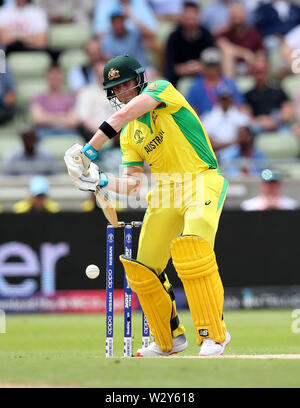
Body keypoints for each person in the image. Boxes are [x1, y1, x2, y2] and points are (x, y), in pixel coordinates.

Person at [64, 54, 231, 357]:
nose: (122, 92)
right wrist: (99, 180)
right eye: (115, 88)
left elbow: (121, 116)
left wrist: (88, 150)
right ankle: (169, 340)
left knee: (193, 250)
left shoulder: (162, 90)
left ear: (139, 80)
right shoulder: (129, 135)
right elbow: (131, 185)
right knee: (143, 268)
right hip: (166, 191)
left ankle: (213, 335)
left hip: (201, 179)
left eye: (126, 84)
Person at [164, 1, 215, 86]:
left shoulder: (207, 35)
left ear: (199, 17)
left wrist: (200, 66)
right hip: (178, 79)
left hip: (204, 77)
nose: (190, 22)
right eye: (187, 18)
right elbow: (170, 66)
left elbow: (213, 61)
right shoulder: (174, 37)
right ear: (181, 17)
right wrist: (186, 68)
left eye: (193, 18)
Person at [187, 47, 245, 117]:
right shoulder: (195, 87)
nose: (211, 69)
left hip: (228, 121)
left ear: (220, 66)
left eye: (214, 65)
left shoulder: (230, 84)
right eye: (209, 65)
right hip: (204, 122)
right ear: (203, 66)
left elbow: (240, 106)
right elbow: (191, 110)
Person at [244, 56, 294, 134]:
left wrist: (274, 121)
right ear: (252, 73)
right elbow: (246, 117)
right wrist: (262, 122)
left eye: (262, 71)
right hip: (257, 127)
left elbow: (287, 112)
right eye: (257, 71)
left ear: (268, 71)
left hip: (278, 126)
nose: (260, 75)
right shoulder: (247, 95)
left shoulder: (279, 91)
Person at [201, 83, 250, 158]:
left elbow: (244, 140)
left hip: (236, 155)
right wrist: (234, 141)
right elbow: (208, 144)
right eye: (223, 99)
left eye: (227, 98)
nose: (225, 101)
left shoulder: (241, 116)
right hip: (215, 156)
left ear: (231, 99)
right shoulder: (208, 118)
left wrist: (220, 144)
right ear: (218, 99)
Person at [31, 63, 79, 139]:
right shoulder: (38, 97)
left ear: (62, 78)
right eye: (52, 76)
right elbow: (38, 119)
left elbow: (73, 121)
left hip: (67, 131)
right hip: (44, 132)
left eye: (57, 75)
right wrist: (62, 116)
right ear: (46, 78)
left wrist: (47, 116)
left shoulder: (70, 98)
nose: (54, 78)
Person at [216, 2, 265, 77]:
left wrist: (255, 59)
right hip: (230, 68)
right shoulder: (223, 34)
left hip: (249, 67)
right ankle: (230, 86)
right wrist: (245, 54)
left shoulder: (254, 34)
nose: (236, 18)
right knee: (227, 54)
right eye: (233, 15)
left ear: (245, 15)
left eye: (238, 15)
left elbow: (260, 54)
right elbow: (224, 47)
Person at [93, 0, 157, 38]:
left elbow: (152, 33)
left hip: (136, 45)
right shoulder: (105, 3)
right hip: (113, 46)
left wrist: (132, 17)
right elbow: (99, 34)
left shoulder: (139, 2)